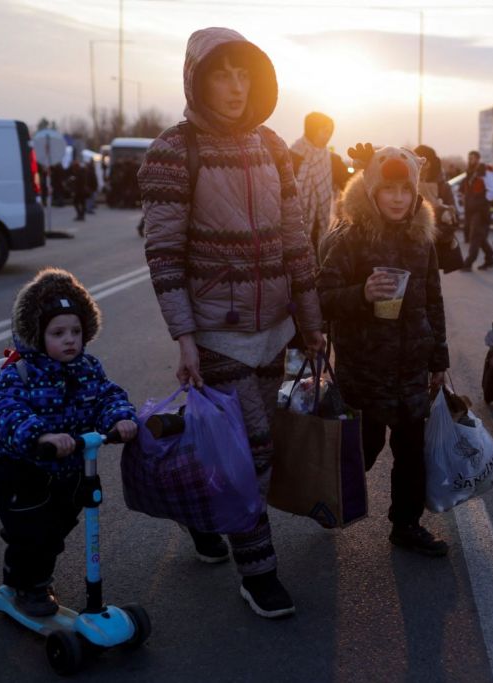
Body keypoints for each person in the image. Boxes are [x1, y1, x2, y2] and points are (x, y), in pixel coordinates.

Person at [138, 27, 325, 619]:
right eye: (223, 73)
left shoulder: (273, 146)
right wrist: (185, 338)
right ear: (197, 77)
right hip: (217, 331)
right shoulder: (173, 151)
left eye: (245, 74)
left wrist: (313, 323)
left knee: (245, 448)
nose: (236, 86)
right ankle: (259, 573)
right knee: (254, 453)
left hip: (276, 329)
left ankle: (204, 514)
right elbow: (163, 253)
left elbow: (297, 241)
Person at [317, 144, 450, 556]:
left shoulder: (420, 239)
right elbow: (322, 297)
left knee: (411, 453)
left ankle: (406, 524)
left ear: (415, 193)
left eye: (405, 189)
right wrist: (362, 293)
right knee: (363, 450)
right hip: (365, 372)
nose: (397, 197)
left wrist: (438, 359)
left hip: (411, 368)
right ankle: (328, 497)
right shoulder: (349, 236)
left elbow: (433, 299)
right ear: (372, 189)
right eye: (388, 188)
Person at [0, 268, 138, 617]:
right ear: (38, 335)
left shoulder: (87, 368)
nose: (69, 339)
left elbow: (106, 396)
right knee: (33, 531)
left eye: (76, 331)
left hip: (68, 468)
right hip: (19, 468)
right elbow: (4, 410)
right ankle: (28, 585)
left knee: (57, 527)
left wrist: (120, 418)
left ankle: (25, 565)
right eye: (58, 333)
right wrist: (41, 435)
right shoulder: (20, 372)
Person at [290, 111, 335, 251]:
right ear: (312, 130)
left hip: (319, 224)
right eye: (324, 131)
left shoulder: (332, 159)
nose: (328, 136)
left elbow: (350, 183)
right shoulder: (291, 155)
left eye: (330, 132)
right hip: (294, 222)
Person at [459, 150, 493, 270]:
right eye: (469, 157)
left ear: (478, 159)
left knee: (475, 236)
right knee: (479, 236)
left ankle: (468, 262)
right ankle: (490, 258)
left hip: (480, 210)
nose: (470, 160)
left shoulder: (485, 171)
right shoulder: (470, 172)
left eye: (473, 158)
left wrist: (483, 201)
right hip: (471, 209)